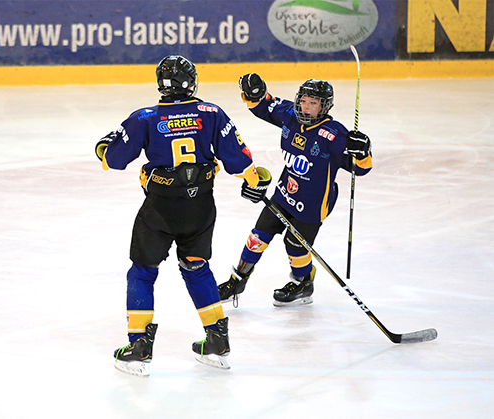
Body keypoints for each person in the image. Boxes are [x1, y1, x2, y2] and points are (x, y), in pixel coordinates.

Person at [94, 56, 271, 376]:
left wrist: (103, 148)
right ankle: (217, 340)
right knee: (197, 268)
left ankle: (138, 347)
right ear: (191, 83)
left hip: (161, 208)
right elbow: (241, 164)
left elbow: (114, 160)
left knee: (142, 272)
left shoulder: (145, 117)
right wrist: (254, 181)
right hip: (201, 206)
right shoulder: (212, 113)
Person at [218, 74, 372, 307]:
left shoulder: (333, 134)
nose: (306, 107)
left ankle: (303, 283)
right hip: (284, 194)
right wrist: (254, 93)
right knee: (257, 236)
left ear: (325, 107)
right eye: (304, 101)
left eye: (314, 103)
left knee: (294, 245)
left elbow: (359, 169)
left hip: (313, 203)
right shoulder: (290, 115)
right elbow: (264, 105)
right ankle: (237, 280)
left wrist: (363, 152)